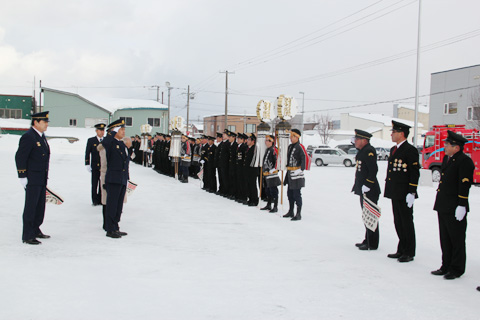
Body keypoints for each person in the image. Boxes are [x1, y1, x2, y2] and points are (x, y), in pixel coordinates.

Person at [431, 131, 474, 280]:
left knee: (456, 239)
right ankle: (446, 265)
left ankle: (456, 268)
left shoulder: (464, 161)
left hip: (456, 206)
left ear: (456, 147)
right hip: (444, 204)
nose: (445, 147)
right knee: (445, 238)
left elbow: (464, 185)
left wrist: (462, 204)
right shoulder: (447, 159)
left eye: (447, 144)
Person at [384, 120, 420, 262]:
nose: (392, 134)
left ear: (402, 133)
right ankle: (401, 248)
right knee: (398, 221)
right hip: (395, 191)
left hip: (405, 192)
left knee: (406, 222)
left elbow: (414, 173)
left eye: (394, 132)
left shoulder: (410, 150)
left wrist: (412, 192)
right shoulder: (394, 149)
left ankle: (409, 251)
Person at [15, 111, 51, 245]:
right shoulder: (28, 137)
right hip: (32, 178)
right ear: (36, 122)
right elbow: (20, 157)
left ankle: (35, 229)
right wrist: (22, 175)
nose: (47, 124)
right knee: (31, 206)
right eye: (44, 122)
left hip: (41, 178)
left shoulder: (41, 136)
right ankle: (28, 235)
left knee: (40, 206)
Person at [351, 129, 381, 251]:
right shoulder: (362, 151)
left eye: (357, 139)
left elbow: (373, 170)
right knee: (366, 215)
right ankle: (367, 239)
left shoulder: (369, 151)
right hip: (364, 189)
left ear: (364, 140)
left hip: (370, 189)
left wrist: (368, 184)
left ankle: (372, 242)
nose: (355, 141)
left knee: (371, 215)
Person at [102, 119, 130, 238]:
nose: (123, 132)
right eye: (121, 129)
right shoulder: (110, 143)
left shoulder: (121, 144)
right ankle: (110, 229)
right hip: (113, 179)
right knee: (112, 205)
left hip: (122, 179)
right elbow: (105, 143)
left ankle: (116, 226)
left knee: (119, 206)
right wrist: (112, 132)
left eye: (124, 129)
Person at [283, 129, 307, 221]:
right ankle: (291, 210)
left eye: (292, 136)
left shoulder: (300, 147)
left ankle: (298, 213)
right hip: (289, 173)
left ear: (297, 137)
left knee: (297, 194)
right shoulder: (290, 147)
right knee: (290, 194)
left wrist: (300, 169)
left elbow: (304, 158)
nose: (290, 138)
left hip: (297, 174)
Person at [85, 123, 106, 206]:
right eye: (100, 130)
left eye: (103, 130)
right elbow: (87, 152)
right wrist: (87, 163)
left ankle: (101, 199)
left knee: (102, 183)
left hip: (103, 166)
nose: (102, 132)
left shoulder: (106, 141)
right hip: (95, 165)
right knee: (94, 184)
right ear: (96, 131)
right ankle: (94, 200)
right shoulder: (91, 140)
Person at [261, 135, 280, 212]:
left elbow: (277, 162)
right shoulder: (267, 150)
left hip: (272, 174)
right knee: (267, 190)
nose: (265, 142)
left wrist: (274, 169)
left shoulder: (274, 150)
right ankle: (269, 204)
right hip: (266, 173)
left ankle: (275, 206)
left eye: (267, 140)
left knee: (273, 190)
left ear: (271, 142)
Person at [245, 133, 259, 206]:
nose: (247, 141)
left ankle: (254, 200)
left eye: (249, 140)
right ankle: (250, 198)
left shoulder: (254, 149)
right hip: (248, 170)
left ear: (253, 141)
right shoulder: (249, 148)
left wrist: (250, 167)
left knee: (253, 185)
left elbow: (254, 160)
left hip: (253, 170)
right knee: (248, 184)